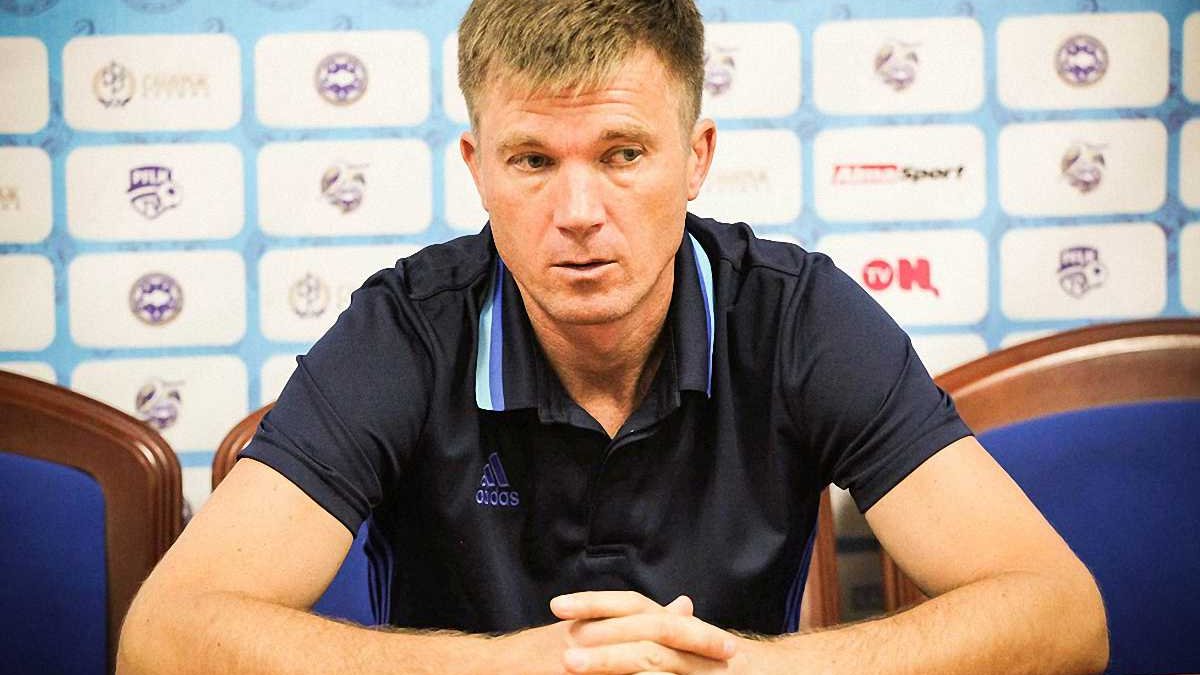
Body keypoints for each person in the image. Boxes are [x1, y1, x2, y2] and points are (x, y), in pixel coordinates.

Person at [117, 1, 1108, 672]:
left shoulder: (795, 316)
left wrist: (746, 669)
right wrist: (502, 670)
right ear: (476, 167)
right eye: (533, 160)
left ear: (696, 157)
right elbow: (163, 636)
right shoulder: (407, 331)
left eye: (623, 153)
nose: (580, 211)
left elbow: (1062, 612)